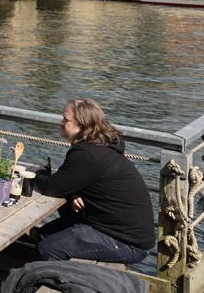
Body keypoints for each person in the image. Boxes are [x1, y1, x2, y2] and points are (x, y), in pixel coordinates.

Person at [33, 98, 154, 264]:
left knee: (48, 248)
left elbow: (51, 187)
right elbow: (73, 180)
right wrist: (74, 192)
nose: (61, 123)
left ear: (83, 126)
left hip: (128, 243)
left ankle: (65, 285)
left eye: (66, 120)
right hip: (109, 227)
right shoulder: (103, 145)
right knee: (43, 234)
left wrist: (37, 173)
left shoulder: (87, 153)